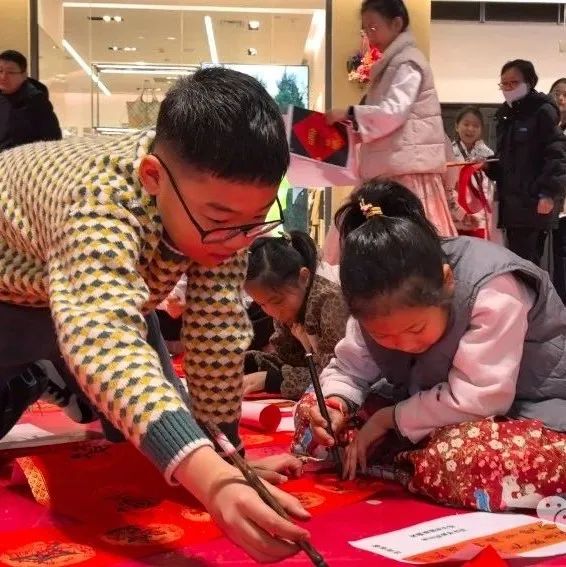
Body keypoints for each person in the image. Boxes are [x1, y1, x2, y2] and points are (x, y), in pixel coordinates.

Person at [0, 67, 312, 563]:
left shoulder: (213, 207)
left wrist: (229, 464)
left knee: (152, 435)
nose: (237, 241)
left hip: (108, 299)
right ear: (152, 177)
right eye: (221, 221)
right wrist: (211, 480)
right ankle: (41, 372)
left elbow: (216, 332)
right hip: (15, 297)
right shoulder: (97, 200)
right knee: (114, 376)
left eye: (254, 222)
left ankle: (63, 373)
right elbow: (104, 337)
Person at [305, 179, 566, 480]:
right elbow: (348, 369)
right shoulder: (371, 297)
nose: (403, 344)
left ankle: (408, 456)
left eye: (415, 328)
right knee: (313, 413)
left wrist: (387, 419)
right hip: (431, 407)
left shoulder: (493, 287)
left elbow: (479, 400)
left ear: (447, 281)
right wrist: (335, 404)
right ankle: (404, 456)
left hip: (529, 410)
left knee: (461, 459)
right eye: (382, 335)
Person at [326, 0, 456, 238]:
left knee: (404, 241)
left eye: (373, 27)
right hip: (394, 167)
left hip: (406, 172)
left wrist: (349, 114)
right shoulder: (394, 64)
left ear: (396, 24)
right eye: (366, 29)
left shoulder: (408, 63)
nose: (369, 35)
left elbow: (393, 112)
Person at [243, 231, 348, 400]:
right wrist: (246, 363)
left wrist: (272, 380)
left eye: (277, 301)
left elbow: (341, 375)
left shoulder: (330, 301)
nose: (272, 312)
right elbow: (287, 359)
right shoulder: (288, 307)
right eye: (262, 304)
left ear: (304, 277)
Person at [486, 59, 566, 266]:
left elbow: (556, 154)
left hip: (533, 203)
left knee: (527, 264)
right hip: (512, 205)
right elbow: (507, 162)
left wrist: (548, 193)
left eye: (513, 83)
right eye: (504, 84)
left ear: (529, 82)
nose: (508, 88)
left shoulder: (542, 110)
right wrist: (489, 166)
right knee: (518, 262)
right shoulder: (506, 115)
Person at [446, 106, 497, 240]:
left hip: (479, 213)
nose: (470, 129)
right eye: (466, 124)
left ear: (481, 129)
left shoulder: (488, 155)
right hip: (455, 210)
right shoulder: (448, 153)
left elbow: (491, 187)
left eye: (475, 126)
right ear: (457, 126)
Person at [0, 50, 61, 151]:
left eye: (10, 72)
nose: (3, 77)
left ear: (24, 75)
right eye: (0, 71)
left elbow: (52, 140)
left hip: (22, 158)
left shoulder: (36, 101)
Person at [549, 79, 566, 304]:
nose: (561, 98)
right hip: (550, 202)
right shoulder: (546, 128)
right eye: (556, 93)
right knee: (556, 256)